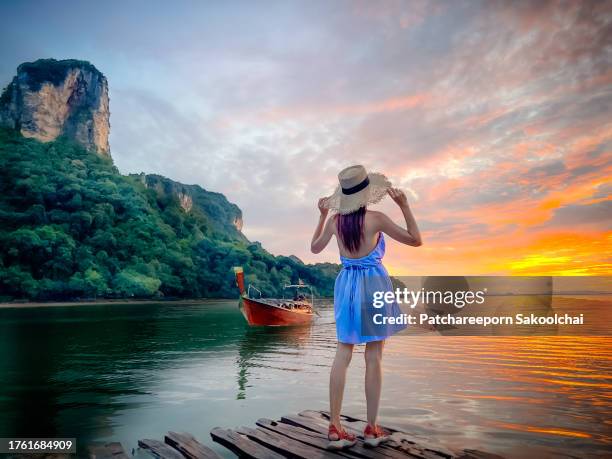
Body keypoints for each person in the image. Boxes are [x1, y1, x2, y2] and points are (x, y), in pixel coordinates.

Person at [310, 165, 422, 450]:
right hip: (372, 285)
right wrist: (405, 206)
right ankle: (371, 428)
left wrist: (323, 216)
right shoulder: (376, 219)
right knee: (374, 356)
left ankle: (335, 426)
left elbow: (314, 248)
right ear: (366, 194)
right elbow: (415, 240)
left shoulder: (336, 222)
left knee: (342, 353)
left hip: (346, 285)